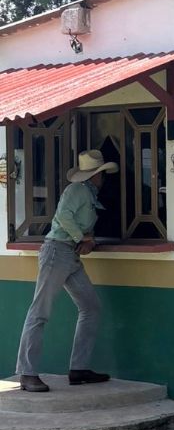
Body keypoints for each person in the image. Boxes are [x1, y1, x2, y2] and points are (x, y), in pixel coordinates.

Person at [15, 149, 116, 393]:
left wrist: (86, 239)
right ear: (96, 175)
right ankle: (27, 374)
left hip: (69, 254)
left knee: (90, 307)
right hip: (58, 251)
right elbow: (62, 216)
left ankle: (79, 368)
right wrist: (83, 237)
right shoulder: (78, 190)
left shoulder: (87, 194)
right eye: (101, 174)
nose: (103, 178)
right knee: (39, 313)